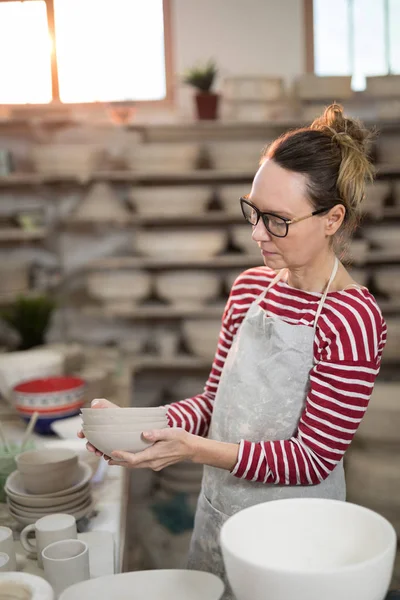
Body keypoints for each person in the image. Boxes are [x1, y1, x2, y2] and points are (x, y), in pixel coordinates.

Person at [80, 104, 387, 599]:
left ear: (333, 219)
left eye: (278, 220)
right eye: (254, 212)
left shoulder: (351, 319)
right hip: (220, 514)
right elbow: (213, 404)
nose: (257, 234)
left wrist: (191, 449)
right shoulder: (249, 289)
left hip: (295, 536)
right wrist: (136, 427)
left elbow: (310, 459)